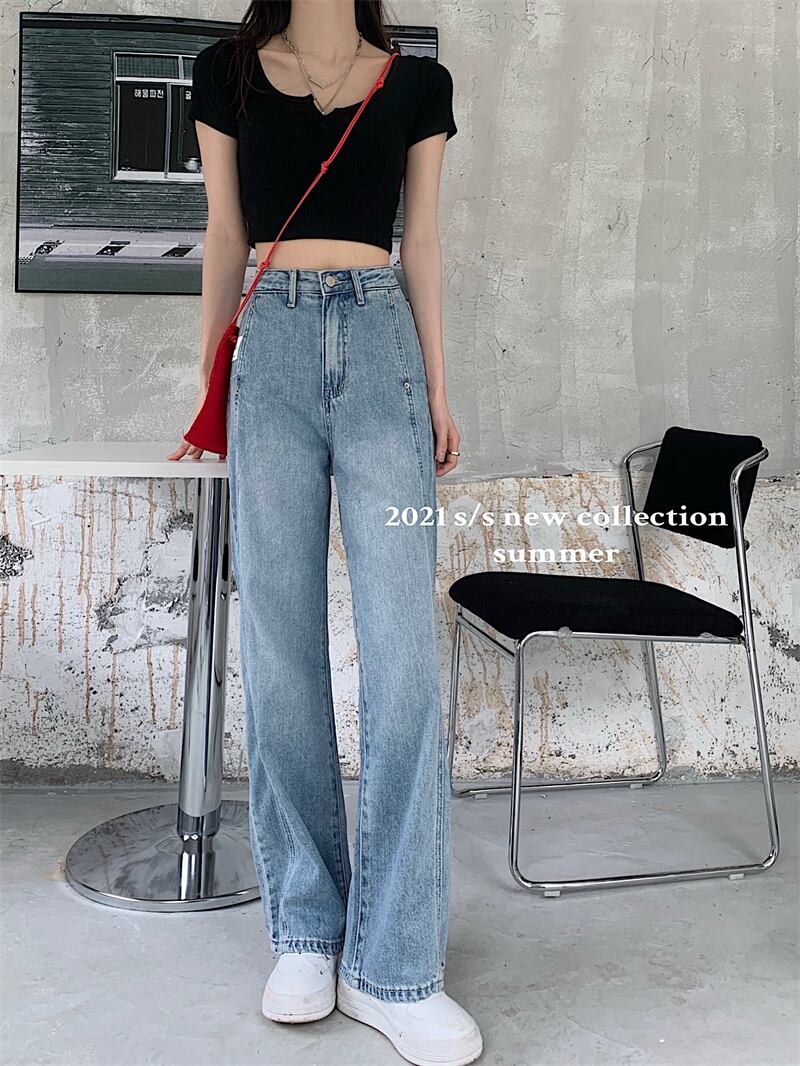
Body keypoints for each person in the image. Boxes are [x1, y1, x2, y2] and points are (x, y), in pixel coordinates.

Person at [167, 3, 480, 1063]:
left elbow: (421, 241)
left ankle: (395, 965)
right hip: (271, 354)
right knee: (279, 646)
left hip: (383, 346)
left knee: (403, 658)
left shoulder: (417, 83)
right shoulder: (225, 72)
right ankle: (305, 928)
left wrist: (437, 390)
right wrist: (210, 382)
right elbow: (224, 233)